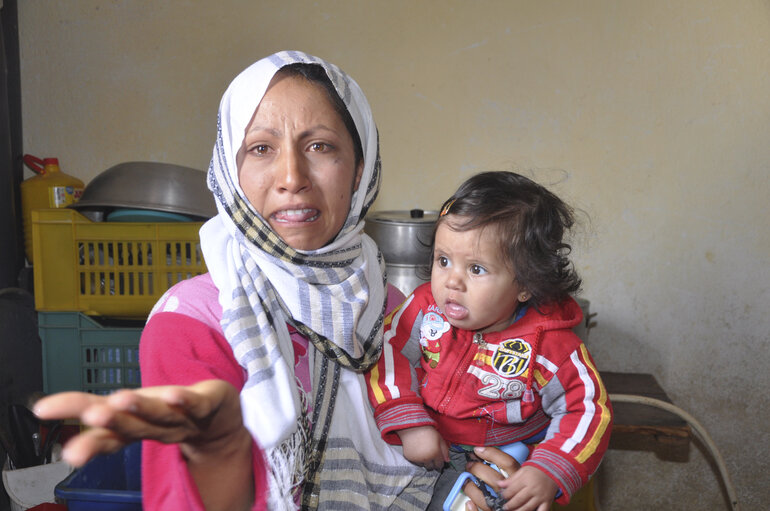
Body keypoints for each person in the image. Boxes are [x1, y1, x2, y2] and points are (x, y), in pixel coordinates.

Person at [34, 51, 439, 511]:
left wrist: (480, 471)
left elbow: (445, 432)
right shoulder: (193, 321)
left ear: (361, 170)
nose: (292, 177)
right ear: (229, 171)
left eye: (320, 146)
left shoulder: (391, 308)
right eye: (261, 148)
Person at [365, 171, 613, 511]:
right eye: (444, 260)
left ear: (525, 285)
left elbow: (588, 409)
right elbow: (386, 353)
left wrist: (549, 469)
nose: (452, 281)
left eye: (476, 269)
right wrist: (408, 423)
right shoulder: (423, 310)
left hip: (506, 456)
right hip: (427, 438)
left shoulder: (552, 346)